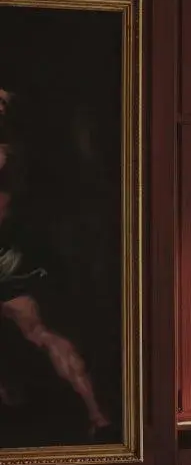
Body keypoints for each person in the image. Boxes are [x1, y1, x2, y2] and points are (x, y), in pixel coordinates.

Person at [0, 92, 111, 435]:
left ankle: (97, 416)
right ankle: (96, 416)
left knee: (39, 333)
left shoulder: (13, 158)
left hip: (12, 259)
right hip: (16, 256)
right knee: (38, 333)